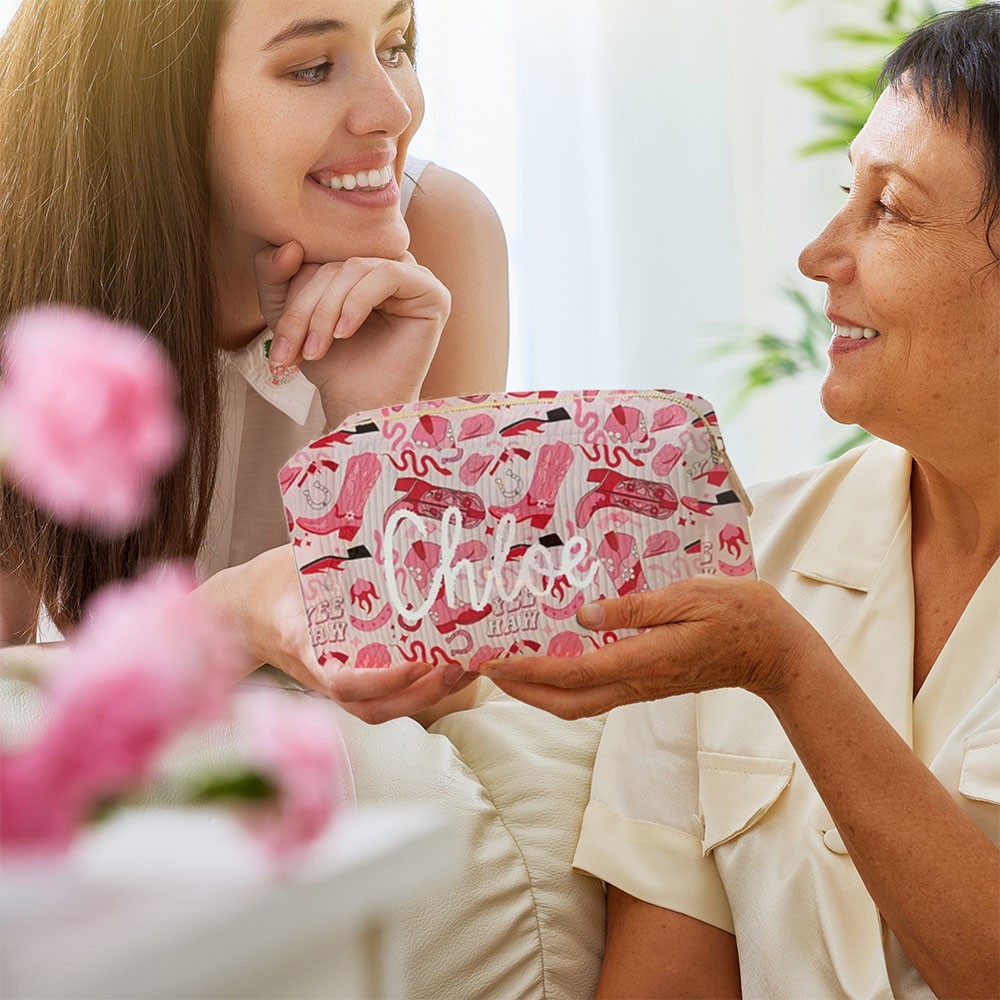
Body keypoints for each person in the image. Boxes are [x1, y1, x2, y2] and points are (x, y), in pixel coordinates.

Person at [475, 6, 1000, 997]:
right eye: (844, 193)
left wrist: (787, 668)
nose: (818, 255)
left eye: (888, 209)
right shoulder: (724, 567)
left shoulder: (745, 626)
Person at [0, 0, 509, 723]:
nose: (393, 111)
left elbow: (438, 700)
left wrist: (372, 428)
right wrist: (233, 619)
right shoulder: (22, 272)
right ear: (151, 102)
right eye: (312, 67)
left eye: (395, 46)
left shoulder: (437, 235)